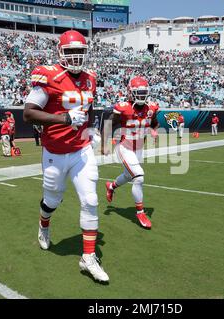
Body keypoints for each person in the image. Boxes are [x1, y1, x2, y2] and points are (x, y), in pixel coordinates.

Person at [23, 30, 108, 282]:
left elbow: (89, 107)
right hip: (55, 151)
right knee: (52, 200)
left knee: (91, 200)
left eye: (79, 51)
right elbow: (28, 113)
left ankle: (89, 258)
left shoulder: (91, 77)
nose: (75, 57)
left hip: (81, 151)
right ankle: (44, 225)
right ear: (60, 52)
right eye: (70, 51)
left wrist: (91, 130)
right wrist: (64, 118)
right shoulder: (50, 76)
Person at [104, 76, 159, 230]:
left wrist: (153, 130)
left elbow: (154, 123)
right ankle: (140, 212)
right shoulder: (123, 107)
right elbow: (109, 123)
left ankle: (111, 186)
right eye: (138, 92)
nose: (141, 96)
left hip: (139, 149)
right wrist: (105, 143)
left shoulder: (152, 107)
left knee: (129, 176)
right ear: (130, 92)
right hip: (124, 147)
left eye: (143, 92)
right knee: (139, 177)